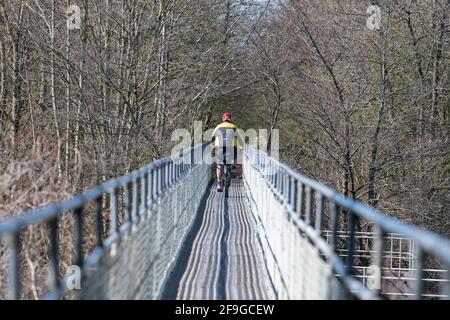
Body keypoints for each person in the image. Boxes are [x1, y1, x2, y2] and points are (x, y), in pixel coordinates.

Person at [211, 112, 242, 192]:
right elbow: (239, 138)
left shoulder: (218, 126)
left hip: (219, 147)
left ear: (223, 119)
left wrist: (212, 147)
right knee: (235, 154)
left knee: (219, 164)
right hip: (231, 147)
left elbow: (212, 137)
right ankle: (234, 168)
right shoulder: (234, 127)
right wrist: (242, 147)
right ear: (231, 119)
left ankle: (218, 183)